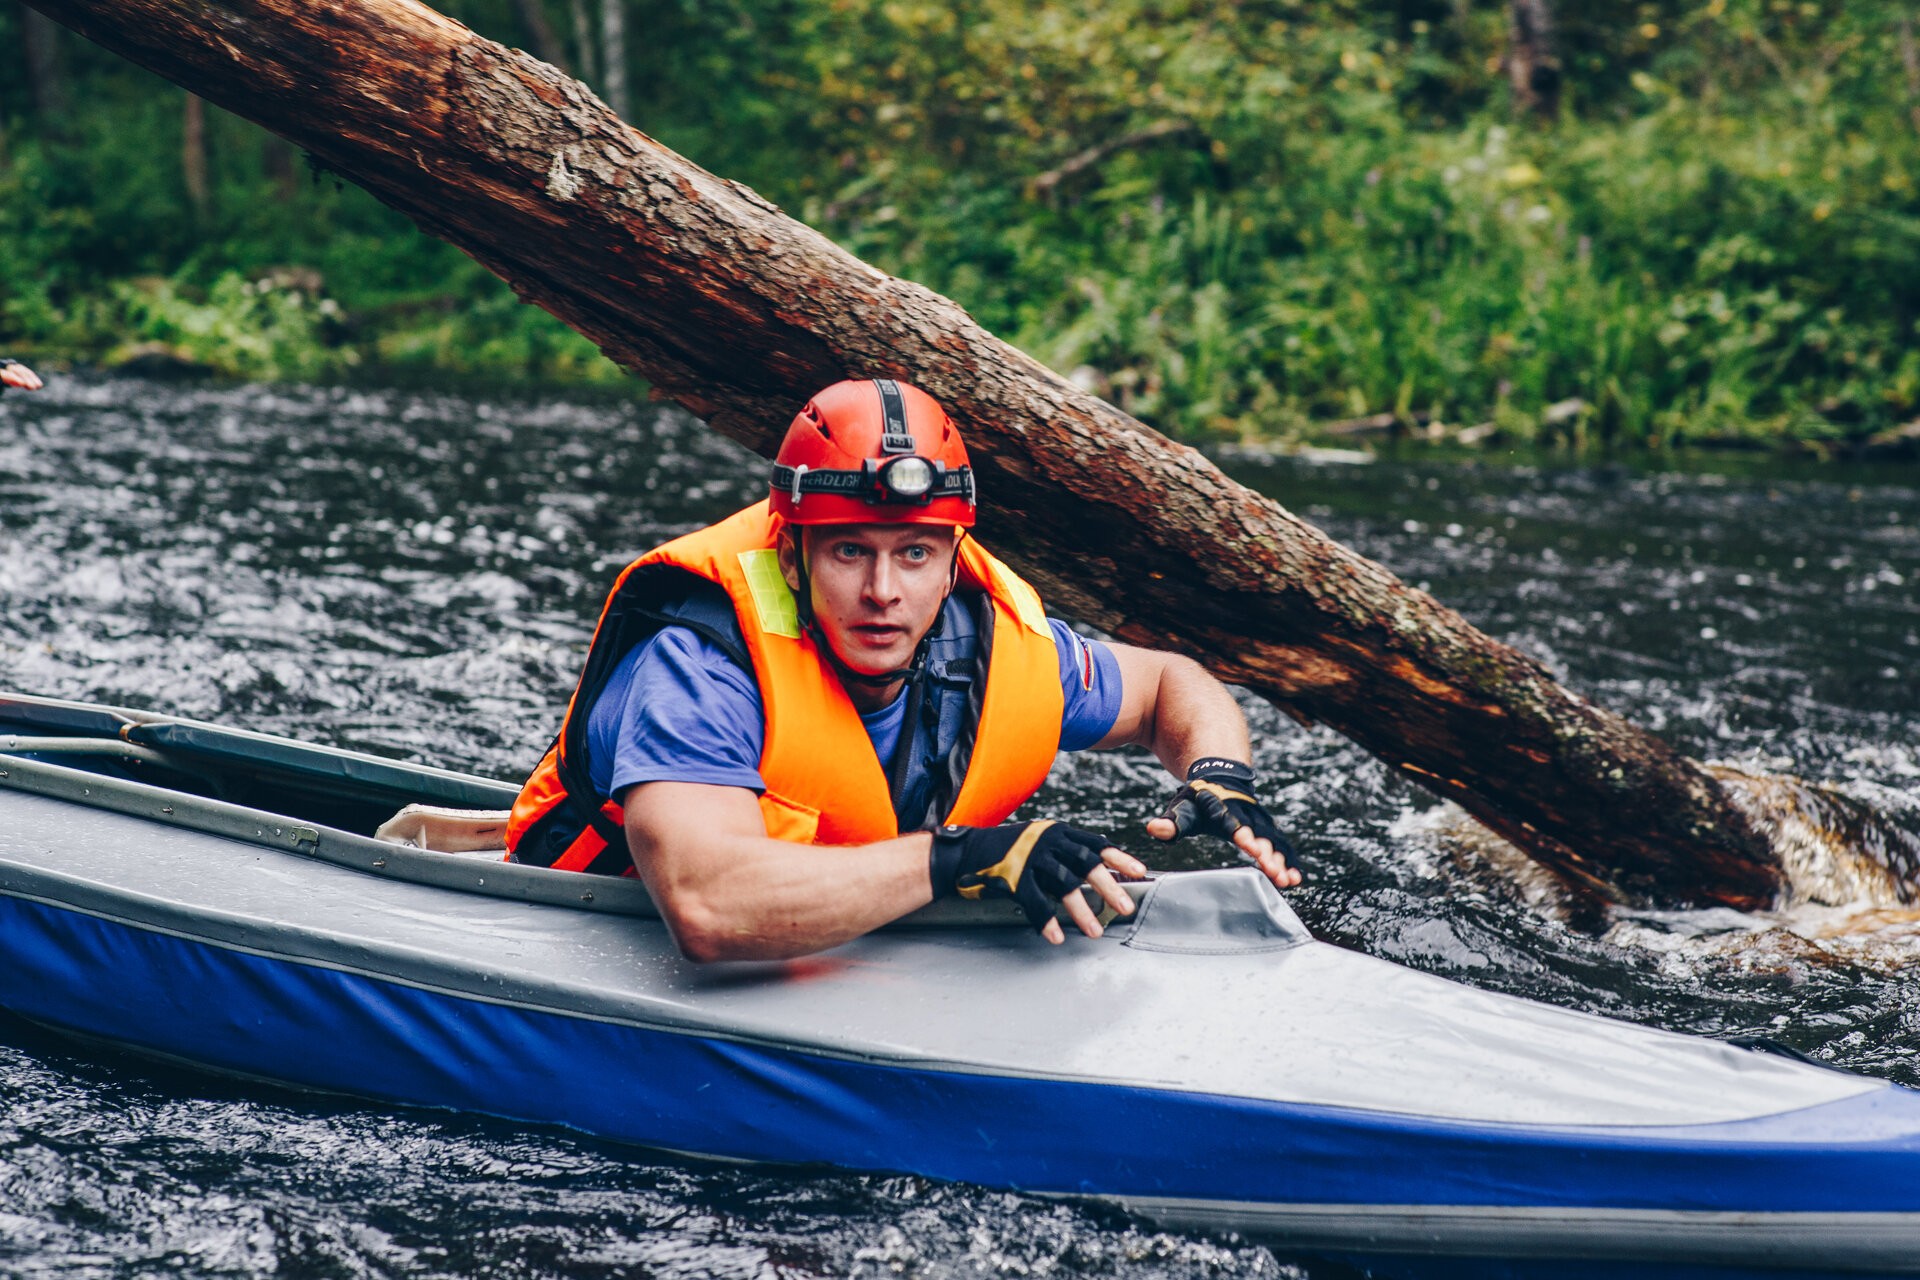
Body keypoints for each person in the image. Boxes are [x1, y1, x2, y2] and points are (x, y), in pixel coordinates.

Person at [507, 378, 1300, 961]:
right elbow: (709, 907)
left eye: (914, 554)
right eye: (850, 551)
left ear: (954, 561)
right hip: (577, 929)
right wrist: (960, 858)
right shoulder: (699, 668)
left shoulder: (994, 648)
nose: (883, 593)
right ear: (792, 555)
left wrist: (1220, 771)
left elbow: (1172, 684)